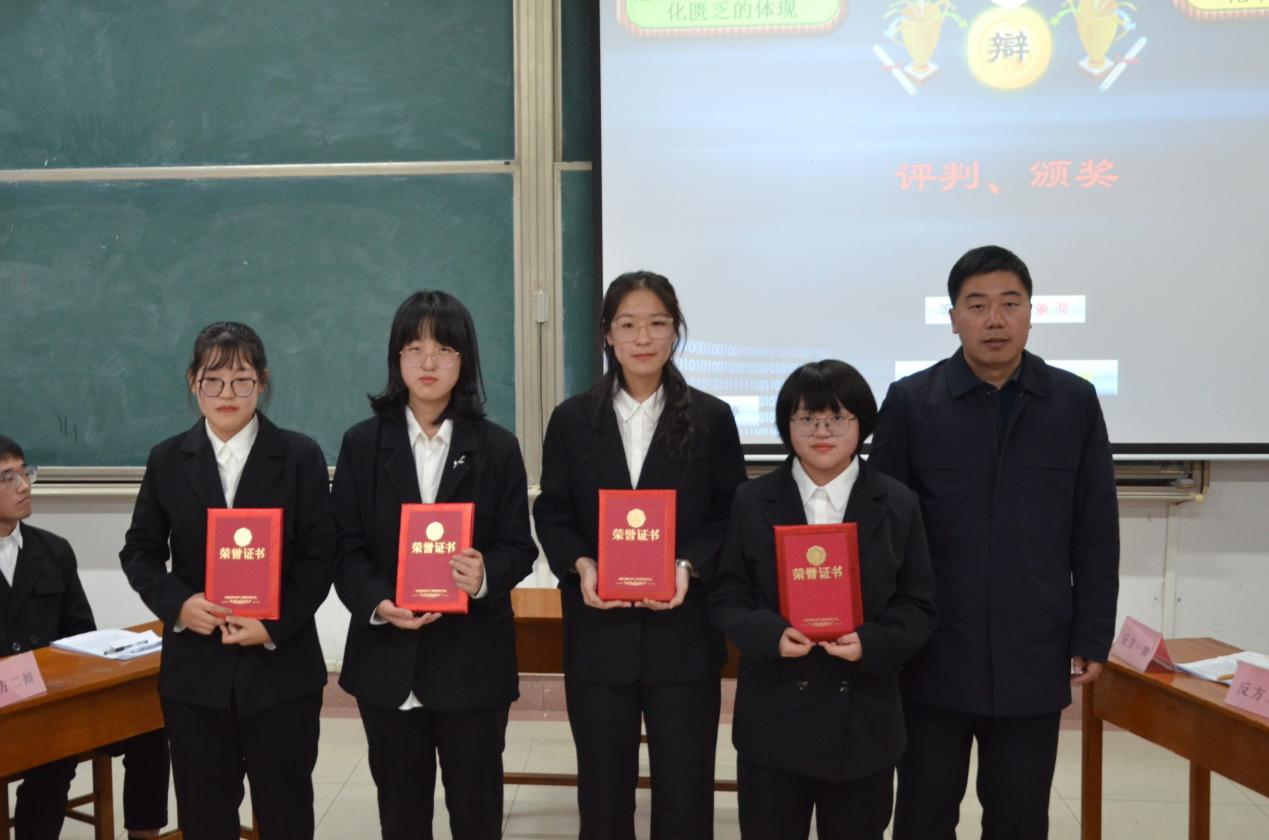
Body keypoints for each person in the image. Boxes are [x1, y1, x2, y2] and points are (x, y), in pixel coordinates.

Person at [870, 245, 1120, 840]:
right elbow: (882, 531)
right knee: (924, 813)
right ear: (953, 317)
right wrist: (888, 634)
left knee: (1020, 817)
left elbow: (1095, 527)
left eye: (1010, 304)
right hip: (932, 650)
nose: (995, 320)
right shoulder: (912, 401)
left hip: (1033, 647)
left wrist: (1091, 634)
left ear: (1031, 313)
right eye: (977, 305)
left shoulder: (1073, 402)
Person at [533, 270, 747, 840]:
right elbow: (553, 512)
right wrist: (581, 564)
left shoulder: (712, 418)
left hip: (684, 633)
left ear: (676, 331)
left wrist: (687, 566)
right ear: (607, 334)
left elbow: (728, 513)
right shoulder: (572, 419)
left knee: (686, 791)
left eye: (657, 323)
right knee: (603, 793)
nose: (644, 337)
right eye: (628, 325)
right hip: (599, 635)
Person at [332, 290, 537, 840]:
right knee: (401, 817)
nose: (428, 362)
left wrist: (486, 574)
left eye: (444, 349)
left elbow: (519, 547)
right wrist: (379, 602)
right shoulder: (362, 445)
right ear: (396, 357)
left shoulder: (497, 447)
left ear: (464, 361)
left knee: (476, 816)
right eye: (414, 348)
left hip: (472, 663)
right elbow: (344, 547)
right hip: (388, 661)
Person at [119, 322, 335, 839]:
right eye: (212, 380)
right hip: (197, 674)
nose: (227, 394)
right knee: (205, 819)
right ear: (193, 382)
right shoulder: (168, 458)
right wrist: (179, 605)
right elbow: (141, 551)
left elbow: (320, 557)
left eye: (242, 380)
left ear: (262, 382)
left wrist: (273, 625)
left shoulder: (300, 456)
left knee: (286, 815)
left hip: (281, 671)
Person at [710, 361, 937, 840]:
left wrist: (872, 643)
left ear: (862, 424)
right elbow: (728, 594)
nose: (821, 432)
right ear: (786, 425)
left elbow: (918, 604)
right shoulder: (751, 499)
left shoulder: (898, 502)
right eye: (807, 418)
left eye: (837, 418)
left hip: (864, 720)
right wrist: (770, 635)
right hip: (773, 719)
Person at [1, 436, 170, 840]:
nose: (24, 486)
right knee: (53, 758)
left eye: (25, 473)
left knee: (148, 723)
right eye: (8, 478)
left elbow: (82, 635)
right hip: (9, 709)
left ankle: (143, 834)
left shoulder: (53, 551)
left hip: (55, 700)